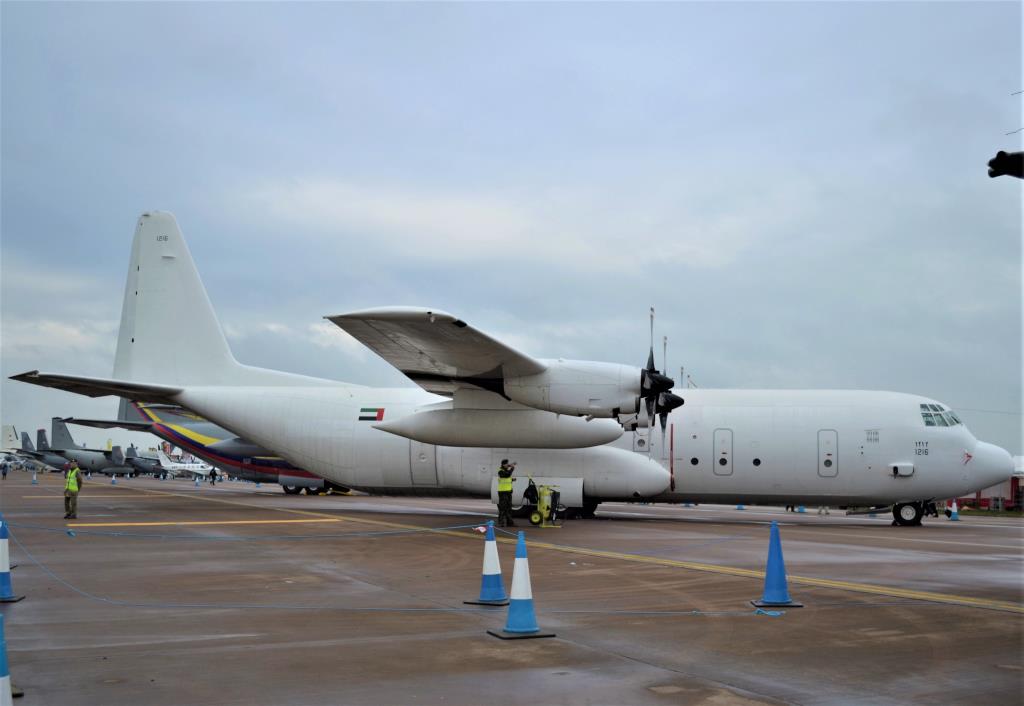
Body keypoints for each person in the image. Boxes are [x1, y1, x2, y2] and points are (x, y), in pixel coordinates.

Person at [496, 459, 516, 527]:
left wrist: (512, 479)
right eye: (507, 464)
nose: (508, 465)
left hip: (508, 492)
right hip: (503, 492)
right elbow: (506, 475)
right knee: (502, 508)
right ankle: (501, 522)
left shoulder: (506, 470)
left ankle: (509, 522)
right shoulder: (500, 471)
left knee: (509, 508)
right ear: (503, 464)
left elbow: (507, 478)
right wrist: (512, 468)